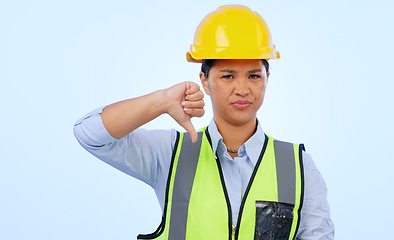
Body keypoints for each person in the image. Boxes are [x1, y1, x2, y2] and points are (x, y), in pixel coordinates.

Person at [74, 5, 334, 240]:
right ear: (204, 80)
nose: (242, 89)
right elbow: (90, 134)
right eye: (228, 76)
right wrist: (161, 101)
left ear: (268, 77)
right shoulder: (170, 153)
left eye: (254, 76)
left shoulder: (298, 167)